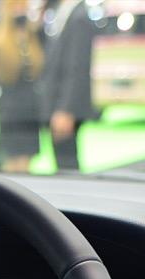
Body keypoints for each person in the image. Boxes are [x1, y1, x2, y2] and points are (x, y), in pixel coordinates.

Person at [0, 0, 45, 173]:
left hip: (30, 107)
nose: (19, 10)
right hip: (10, 108)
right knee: (11, 161)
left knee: (27, 160)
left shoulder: (34, 35)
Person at [39, 0, 95, 172]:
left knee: (67, 164)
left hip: (63, 108)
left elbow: (77, 67)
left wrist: (66, 109)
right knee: (62, 161)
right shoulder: (64, 12)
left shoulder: (79, 17)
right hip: (56, 104)